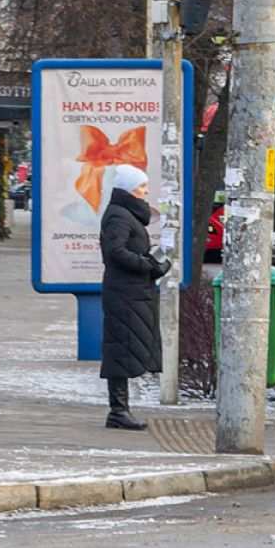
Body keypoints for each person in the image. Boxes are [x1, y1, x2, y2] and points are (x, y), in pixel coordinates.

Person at [99, 165, 171, 430]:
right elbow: (115, 251)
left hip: (132, 292)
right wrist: (148, 265)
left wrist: (152, 262)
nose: (145, 191)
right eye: (141, 186)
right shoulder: (119, 216)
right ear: (129, 189)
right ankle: (118, 411)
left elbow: (125, 250)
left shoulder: (126, 214)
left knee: (126, 348)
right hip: (124, 293)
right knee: (120, 349)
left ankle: (120, 410)